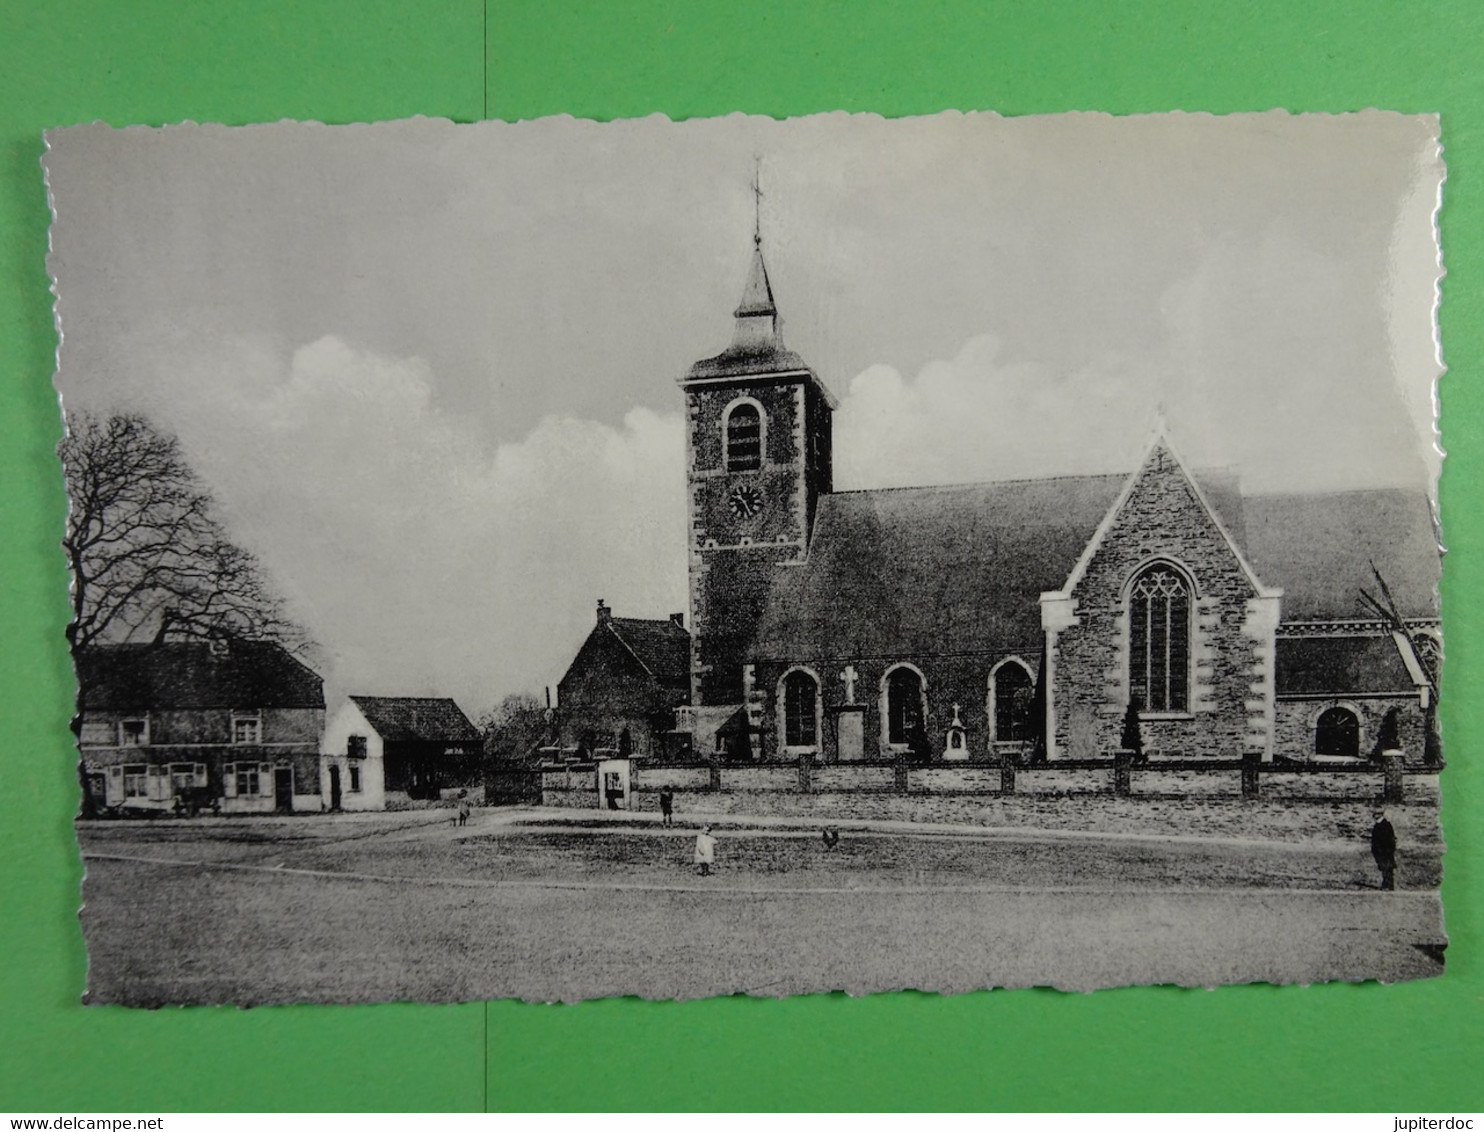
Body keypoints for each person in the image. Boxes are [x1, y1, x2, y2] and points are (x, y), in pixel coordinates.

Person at [1370, 808, 1397, 890]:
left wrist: (1388, 850)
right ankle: (1386, 884)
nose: (1374, 816)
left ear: (1380, 814)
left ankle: (1388, 885)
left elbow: (1389, 839)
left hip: (1385, 850)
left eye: (1376, 814)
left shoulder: (1385, 825)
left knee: (1387, 868)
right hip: (1380, 850)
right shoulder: (1379, 824)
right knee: (1383, 867)